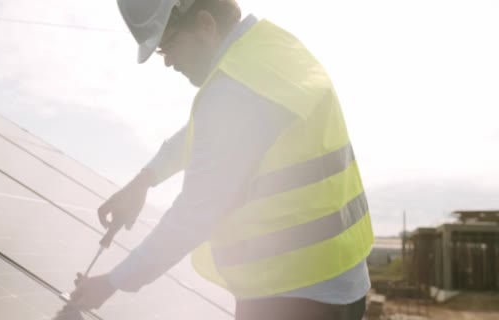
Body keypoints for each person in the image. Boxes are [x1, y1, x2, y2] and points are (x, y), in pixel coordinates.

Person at [67, 0, 374, 319]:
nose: (168, 61)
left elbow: (195, 213)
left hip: (291, 296)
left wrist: (112, 283)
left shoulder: (233, 89)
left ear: (205, 24)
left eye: (168, 45)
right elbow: (215, 132)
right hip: (341, 283)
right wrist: (145, 180)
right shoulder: (270, 49)